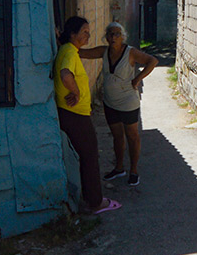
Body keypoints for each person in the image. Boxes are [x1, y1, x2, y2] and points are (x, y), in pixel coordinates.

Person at [54, 16, 120, 214]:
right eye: (84, 31)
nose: (88, 35)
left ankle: (88, 196)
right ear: (72, 34)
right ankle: (95, 202)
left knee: (85, 155)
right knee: (90, 156)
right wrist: (75, 92)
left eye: (88, 31)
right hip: (75, 114)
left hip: (74, 113)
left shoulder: (69, 50)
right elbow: (66, 74)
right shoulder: (69, 52)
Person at [80, 21, 158, 186]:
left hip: (128, 102)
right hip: (110, 102)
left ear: (122, 37)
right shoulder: (104, 51)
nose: (113, 37)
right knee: (117, 136)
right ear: (106, 37)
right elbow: (81, 53)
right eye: (110, 34)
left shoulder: (130, 53)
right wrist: (62, 41)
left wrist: (137, 78)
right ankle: (119, 168)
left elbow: (152, 61)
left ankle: (134, 170)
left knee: (132, 136)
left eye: (117, 34)